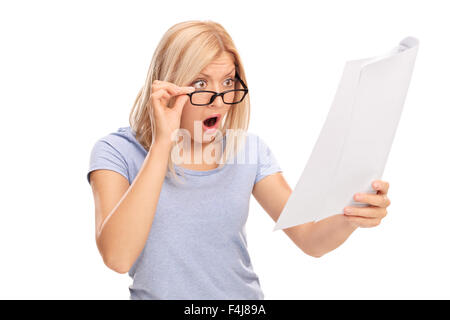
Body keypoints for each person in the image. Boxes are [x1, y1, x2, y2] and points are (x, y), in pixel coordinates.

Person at [86, 20, 391, 300]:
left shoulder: (248, 151)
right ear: (168, 86)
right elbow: (117, 257)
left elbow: (309, 238)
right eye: (201, 84)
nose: (219, 100)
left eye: (228, 81)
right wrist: (163, 142)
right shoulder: (116, 152)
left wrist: (352, 216)